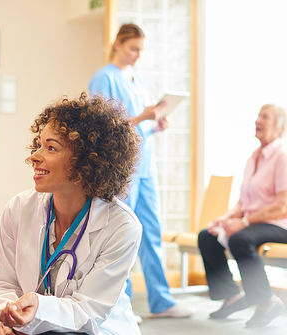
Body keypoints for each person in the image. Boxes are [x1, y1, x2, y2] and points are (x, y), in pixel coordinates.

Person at [0, 93, 143, 335]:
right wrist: (10, 314)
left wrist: (38, 309)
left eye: (51, 148)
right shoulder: (19, 209)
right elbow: (1, 283)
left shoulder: (121, 226)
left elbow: (89, 312)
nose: (34, 156)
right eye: (38, 145)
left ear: (86, 160)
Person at [88, 23, 191, 319]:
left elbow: (136, 129)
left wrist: (153, 124)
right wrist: (141, 116)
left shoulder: (137, 79)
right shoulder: (104, 78)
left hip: (145, 167)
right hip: (124, 170)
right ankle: (122, 303)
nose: (137, 55)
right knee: (122, 232)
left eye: (141, 50)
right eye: (133, 48)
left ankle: (161, 300)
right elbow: (102, 127)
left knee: (151, 230)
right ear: (118, 44)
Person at [198, 104, 287, 328]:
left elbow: (282, 205)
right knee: (207, 235)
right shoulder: (253, 158)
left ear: (279, 126)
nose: (258, 120)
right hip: (254, 223)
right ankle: (232, 296)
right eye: (258, 115)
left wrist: (244, 222)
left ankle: (267, 302)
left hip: (278, 223)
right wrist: (224, 219)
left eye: (265, 117)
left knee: (241, 238)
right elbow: (242, 203)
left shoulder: (282, 155)